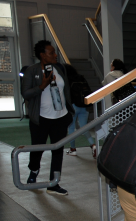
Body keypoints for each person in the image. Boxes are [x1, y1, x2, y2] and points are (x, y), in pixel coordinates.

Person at [21, 40, 74, 195]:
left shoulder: (60, 68)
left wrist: (69, 111)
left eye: (54, 52)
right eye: (51, 53)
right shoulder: (31, 71)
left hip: (60, 117)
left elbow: (66, 91)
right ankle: (33, 171)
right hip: (41, 118)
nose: (55, 55)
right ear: (42, 55)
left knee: (57, 151)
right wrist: (42, 86)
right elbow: (25, 94)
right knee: (38, 149)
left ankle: (53, 183)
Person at [63, 64, 96, 158]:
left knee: (71, 128)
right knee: (84, 127)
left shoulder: (66, 80)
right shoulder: (81, 78)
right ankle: (93, 145)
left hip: (73, 106)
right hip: (84, 105)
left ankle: (73, 149)